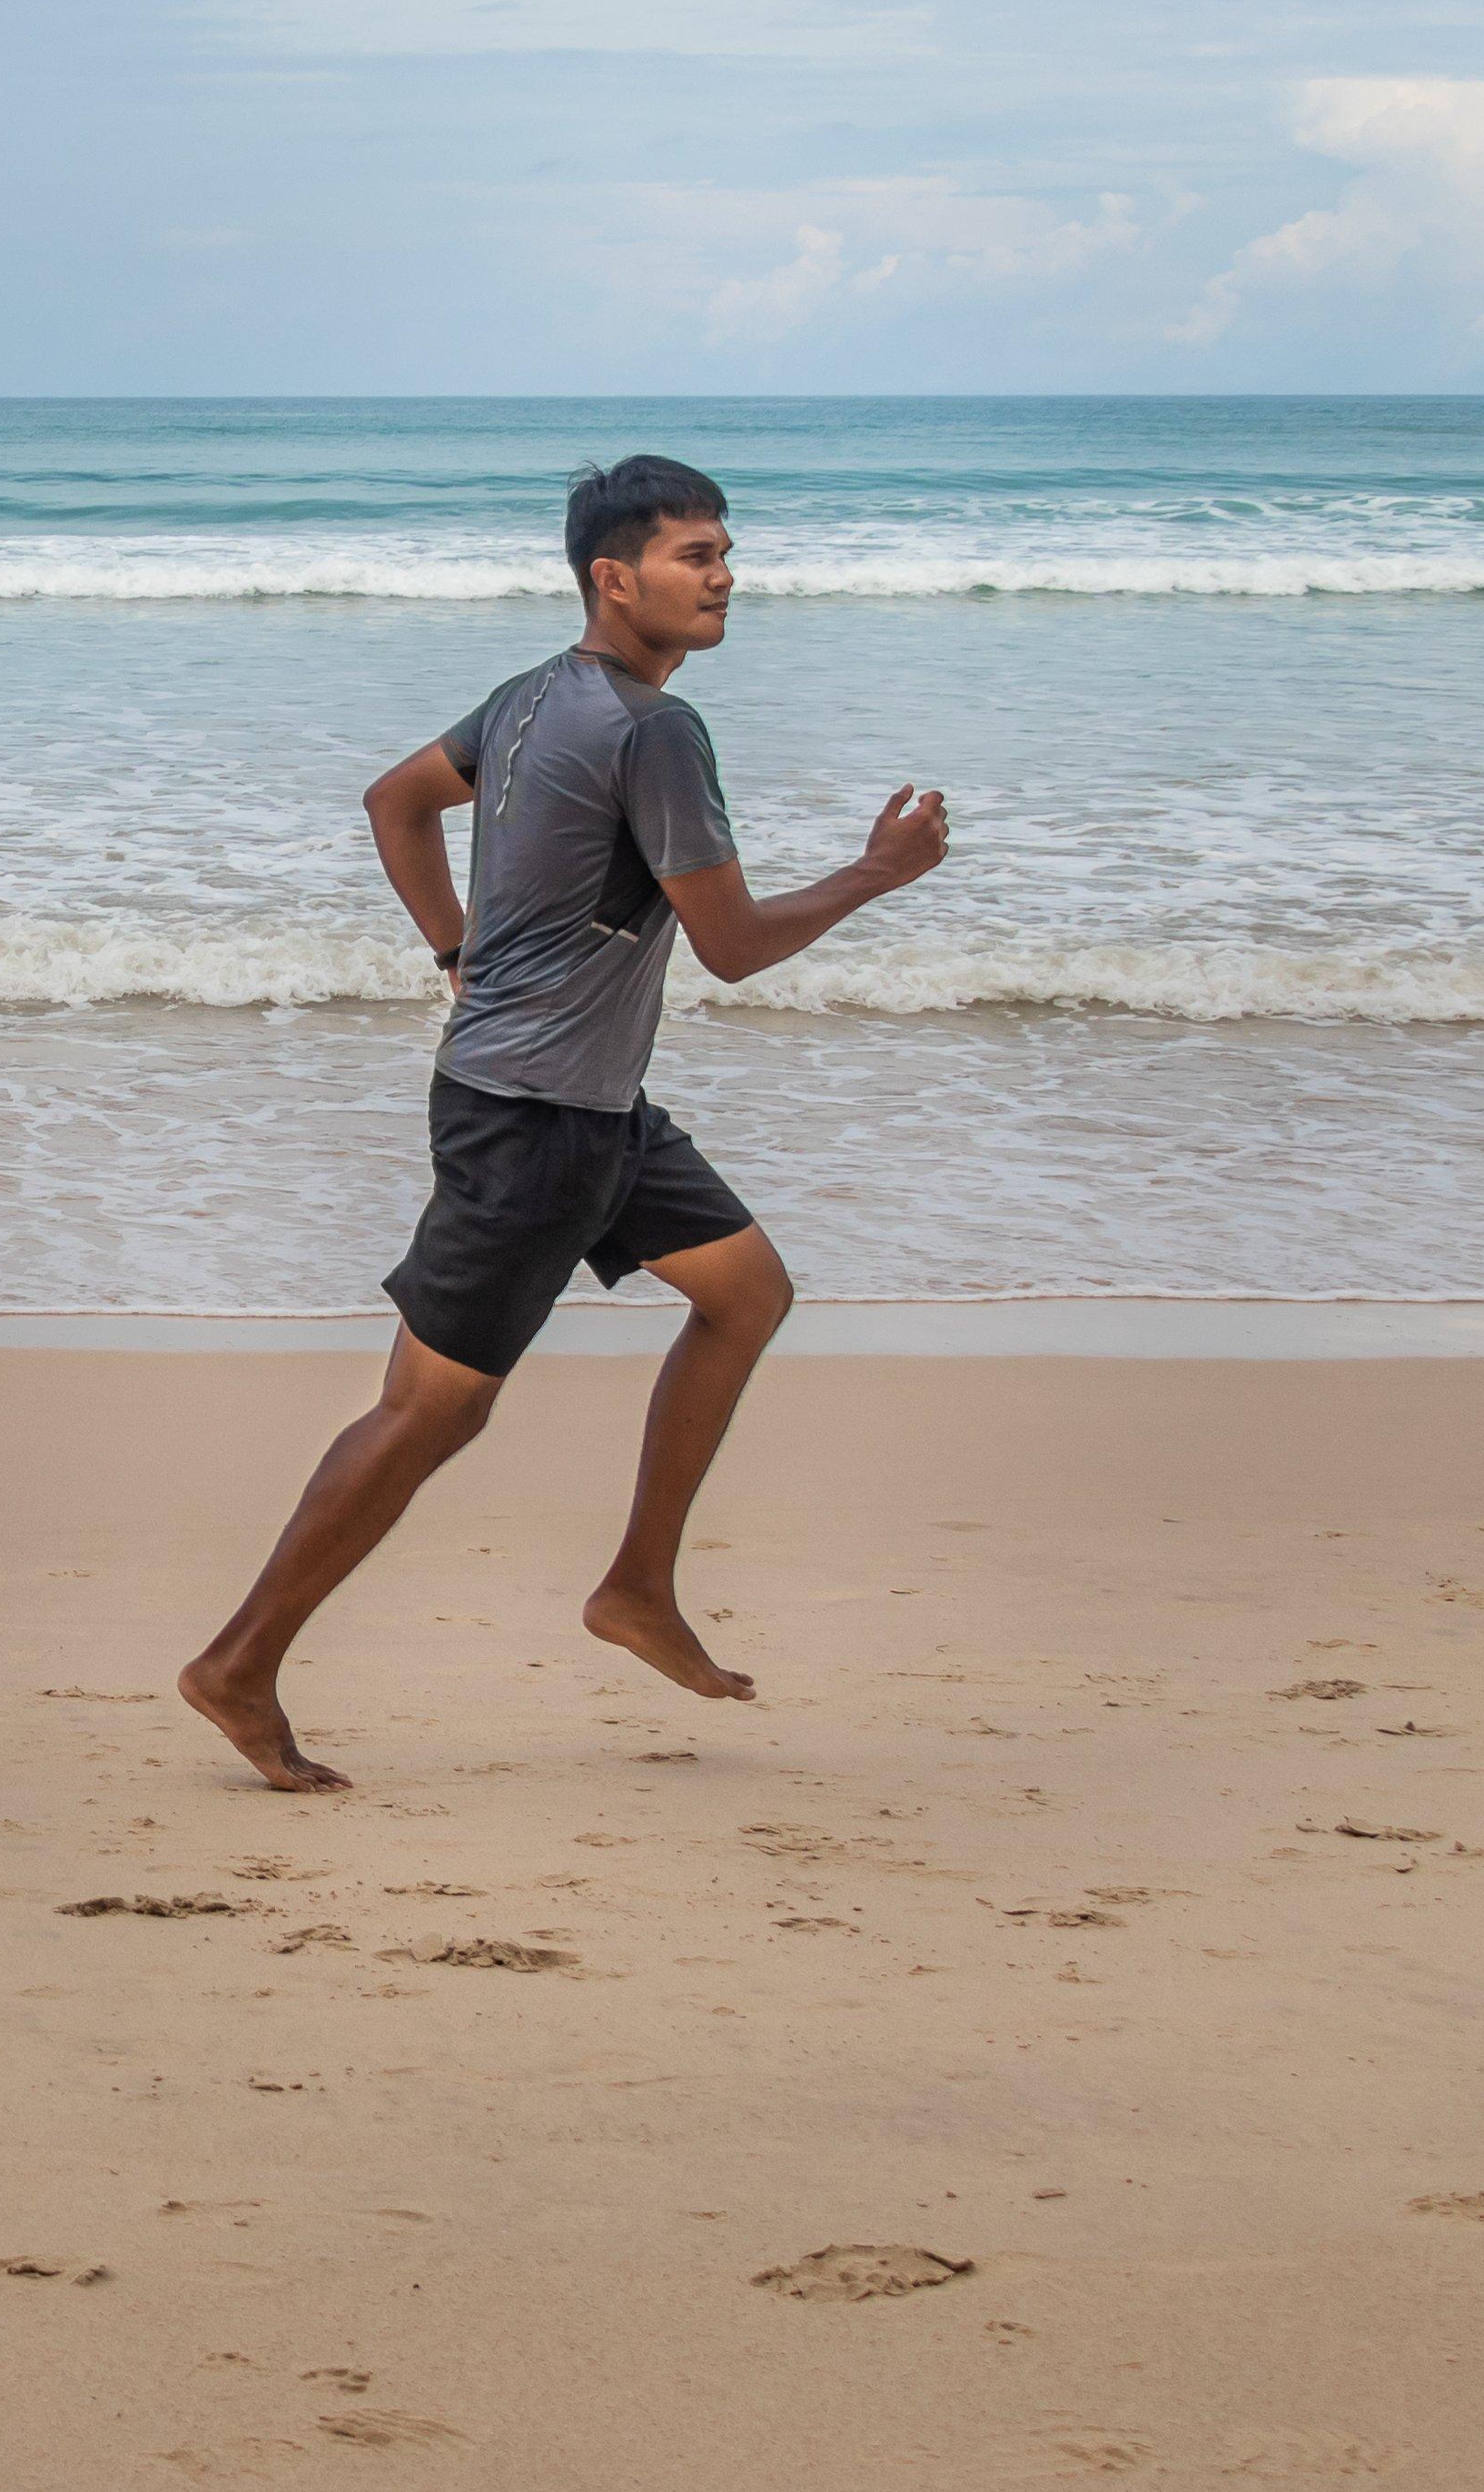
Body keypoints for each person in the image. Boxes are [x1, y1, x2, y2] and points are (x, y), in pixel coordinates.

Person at [179, 456, 948, 1793]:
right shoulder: (654, 732)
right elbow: (730, 946)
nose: (720, 576)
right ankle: (239, 1663)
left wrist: (451, 951)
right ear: (614, 576)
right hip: (533, 1120)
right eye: (692, 555)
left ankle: (636, 1588)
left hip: (584, 1103)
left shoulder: (533, 694)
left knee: (744, 1291)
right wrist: (878, 874)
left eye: (724, 553)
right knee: (427, 1413)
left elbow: (394, 798)